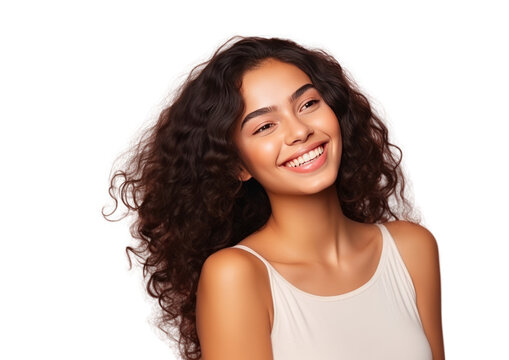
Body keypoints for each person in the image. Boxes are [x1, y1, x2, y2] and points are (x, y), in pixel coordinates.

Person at [103, 35, 445, 360]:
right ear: (237, 164)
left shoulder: (411, 248)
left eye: (308, 104)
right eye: (264, 126)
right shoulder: (235, 276)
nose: (299, 131)